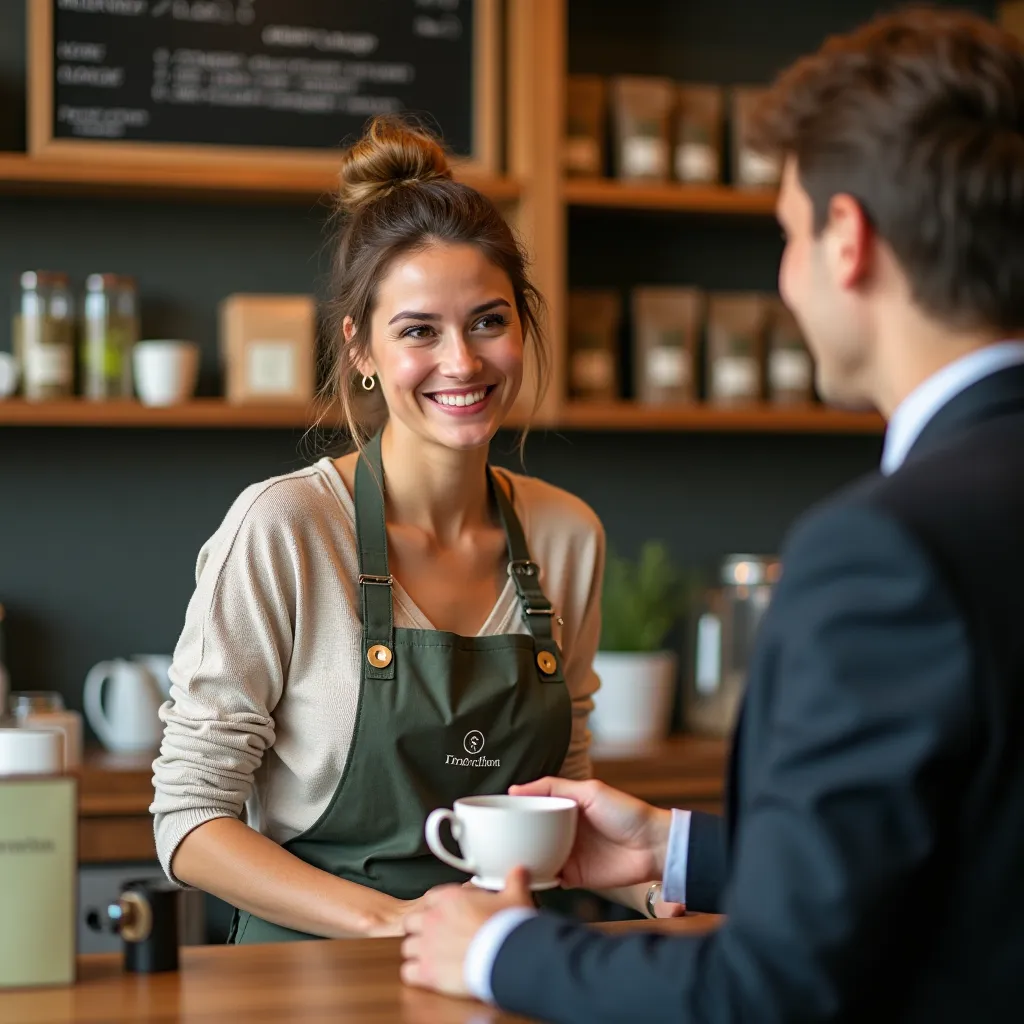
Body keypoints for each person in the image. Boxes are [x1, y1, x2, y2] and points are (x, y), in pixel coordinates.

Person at [400, 9, 1024, 1020]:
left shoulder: (884, 551)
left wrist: (503, 949)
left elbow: (771, 987)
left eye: (785, 236)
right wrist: (670, 847)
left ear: (846, 239)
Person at [149, 117, 668, 943]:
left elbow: (561, 787)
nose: (461, 362)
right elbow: (189, 818)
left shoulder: (566, 535)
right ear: (360, 348)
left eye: (489, 322)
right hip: (311, 981)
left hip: (511, 966)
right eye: (419, 330)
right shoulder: (285, 528)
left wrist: (653, 887)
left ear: (524, 330)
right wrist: (396, 922)